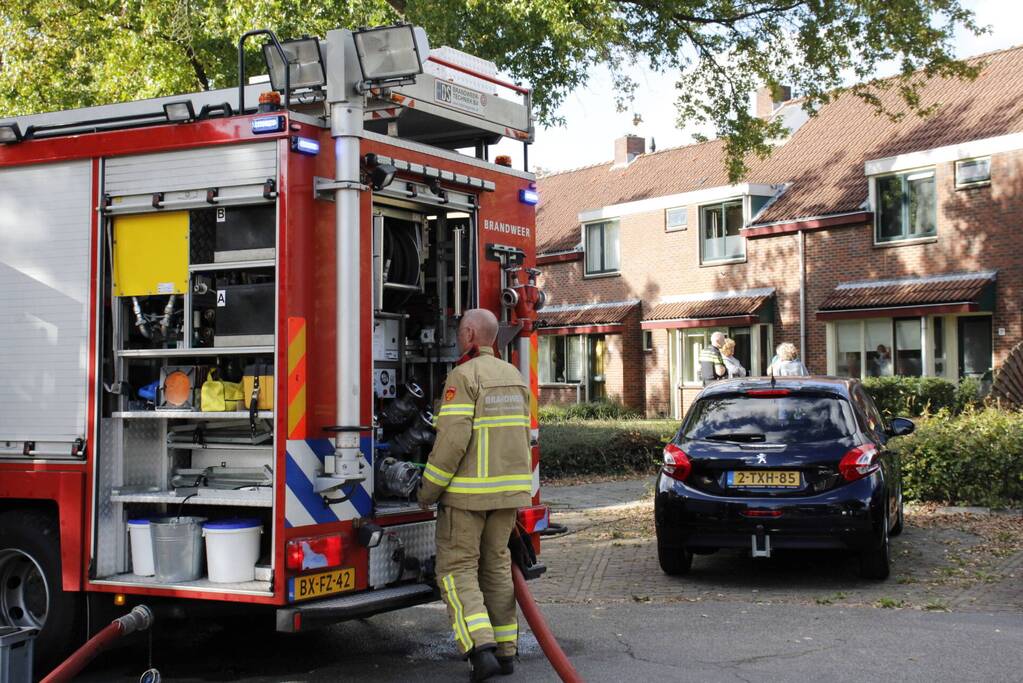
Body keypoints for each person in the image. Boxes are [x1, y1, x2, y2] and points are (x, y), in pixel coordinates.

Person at [418, 308, 532, 681]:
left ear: (469, 333)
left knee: (457, 570)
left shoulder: (463, 377)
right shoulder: (513, 376)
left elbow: (452, 442)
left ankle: (479, 649)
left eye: (458, 331)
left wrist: (428, 490)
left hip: (467, 498)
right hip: (508, 496)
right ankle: (505, 651)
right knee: (497, 567)